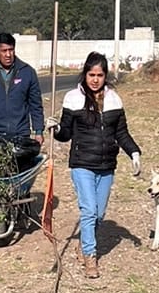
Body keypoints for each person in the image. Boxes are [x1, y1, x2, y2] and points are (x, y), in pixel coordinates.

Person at [53, 52, 141, 279]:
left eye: (99, 75)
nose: (95, 79)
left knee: (99, 214)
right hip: (82, 163)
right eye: (91, 74)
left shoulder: (114, 99)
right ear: (85, 74)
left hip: (106, 165)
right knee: (89, 210)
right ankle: (90, 257)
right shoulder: (73, 98)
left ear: (105, 76)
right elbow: (66, 134)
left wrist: (134, 152)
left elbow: (121, 133)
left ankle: (84, 242)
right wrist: (56, 129)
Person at [0, 31, 44, 144]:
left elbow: (36, 105)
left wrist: (38, 131)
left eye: (11, 50)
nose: (8, 55)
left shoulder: (27, 72)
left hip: (21, 134)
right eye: (4, 51)